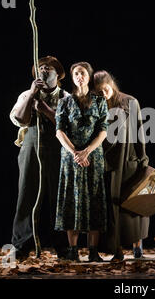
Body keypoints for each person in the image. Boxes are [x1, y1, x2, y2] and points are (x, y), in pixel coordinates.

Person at [10, 55, 69, 260]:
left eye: (49, 68)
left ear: (57, 76)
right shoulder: (27, 94)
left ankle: (63, 246)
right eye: (40, 67)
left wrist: (44, 109)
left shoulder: (65, 97)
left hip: (58, 149)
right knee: (26, 195)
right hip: (31, 147)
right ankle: (21, 245)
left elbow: (69, 126)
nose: (44, 70)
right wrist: (32, 95)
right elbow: (19, 118)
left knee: (58, 198)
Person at [55, 62, 109, 262]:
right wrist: (75, 153)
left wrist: (87, 151)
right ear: (73, 77)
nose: (80, 76)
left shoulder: (99, 100)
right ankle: (73, 250)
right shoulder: (64, 102)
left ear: (89, 76)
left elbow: (103, 129)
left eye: (83, 73)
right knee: (72, 200)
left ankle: (93, 251)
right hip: (71, 159)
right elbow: (59, 131)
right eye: (76, 73)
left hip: (93, 157)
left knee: (94, 200)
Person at [93, 70, 149, 261]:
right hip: (107, 162)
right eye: (99, 91)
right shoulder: (96, 103)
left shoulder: (129, 101)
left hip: (128, 159)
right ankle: (116, 249)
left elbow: (139, 131)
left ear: (112, 85)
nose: (103, 94)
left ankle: (137, 245)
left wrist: (143, 158)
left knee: (132, 203)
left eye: (106, 89)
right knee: (112, 206)